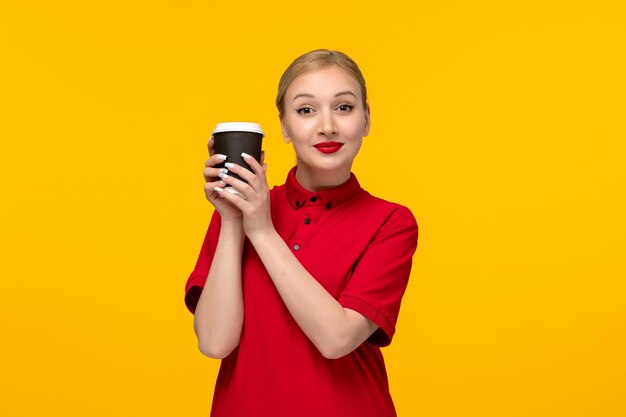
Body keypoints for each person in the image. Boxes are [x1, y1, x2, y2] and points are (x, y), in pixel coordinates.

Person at [184, 49, 419, 417]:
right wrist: (233, 220)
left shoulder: (391, 222)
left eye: (343, 107)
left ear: (367, 119)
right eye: (306, 110)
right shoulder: (242, 211)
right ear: (283, 128)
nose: (327, 126)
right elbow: (214, 342)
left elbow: (337, 338)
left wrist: (261, 232)